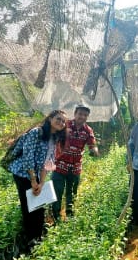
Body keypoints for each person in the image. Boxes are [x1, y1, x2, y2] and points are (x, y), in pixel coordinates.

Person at [8, 110, 67, 249]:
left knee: (39, 205)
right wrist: (33, 180)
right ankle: (30, 240)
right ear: (50, 118)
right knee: (29, 206)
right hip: (23, 173)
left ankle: (38, 236)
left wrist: (41, 183)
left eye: (64, 121)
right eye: (58, 119)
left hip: (37, 175)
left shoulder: (54, 138)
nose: (61, 123)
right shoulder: (36, 132)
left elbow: (47, 162)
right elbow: (28, 157)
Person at [51, 104, 99, 221]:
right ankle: (56, 217)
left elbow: (92, 145)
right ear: (75, 114)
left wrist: (94, 151)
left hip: (75, 168)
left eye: (85, 115)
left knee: (72, 193)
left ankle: (70, 216)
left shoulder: (88, 130)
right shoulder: (65, 125)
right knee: (57, 192)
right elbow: (52, 135)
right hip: (59, 166)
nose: (82, 117)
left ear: (87, 117)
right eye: (80, 114)